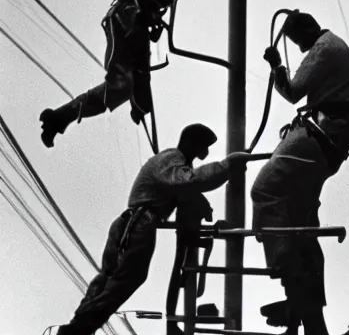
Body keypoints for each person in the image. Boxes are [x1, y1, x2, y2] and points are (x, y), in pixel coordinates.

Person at [40, 0, 244, 147]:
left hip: (134, 24)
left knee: (126, 87)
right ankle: (60, 118)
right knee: (125, 84)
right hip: (127, 20)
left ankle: (61, 117)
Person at [55, 123, 250, 335]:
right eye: (204, 146)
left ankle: (75, 328)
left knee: (107, 279)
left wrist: (202, 204)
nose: (206, 151)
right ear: (191, 143)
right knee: (125, 280)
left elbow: (184, 190)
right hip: (140, 223)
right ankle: (78, 330)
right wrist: (227, 166)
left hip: (129, 222)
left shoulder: (174, 163)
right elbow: (189, 182)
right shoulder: (172, 159)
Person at [251, 11, 349, 335]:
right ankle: (305, 311)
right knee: (300, 217)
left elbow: (293, 90)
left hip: (325, 131)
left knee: (265, 191)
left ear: (307, 30)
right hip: (330, 133)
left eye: (297, 41)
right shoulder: (330, 46)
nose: (298, 48)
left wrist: (276, 66)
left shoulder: (323, 48)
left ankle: (292, 284)